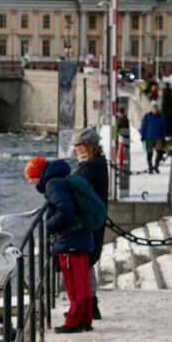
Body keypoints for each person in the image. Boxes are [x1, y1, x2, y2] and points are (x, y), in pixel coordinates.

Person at [25, 156, 94, 333]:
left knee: (73, 282)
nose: (30, 182)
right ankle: (85, 318)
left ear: (38, 175)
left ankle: (74, 321)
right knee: (82, 281)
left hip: (70, 239)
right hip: (80, 236)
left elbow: (66, 211)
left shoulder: (53, 185)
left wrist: (49, 225)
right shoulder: (60, 179)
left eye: (30, 177)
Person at [72, 128, 108, 320]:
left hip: (89, 222)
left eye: (78, 145)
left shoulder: (91, 167)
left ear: (88, 146)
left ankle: (88, 306)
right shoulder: (96, 164)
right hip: (94, 220)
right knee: (87, 263)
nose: (76, 149)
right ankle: (90, 305)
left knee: (84, 263)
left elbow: (75, 186)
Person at [140, 102, 167, 174]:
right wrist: (142, 136)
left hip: (159, 137)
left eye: (156, 107)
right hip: (149, 137)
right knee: (149, 153)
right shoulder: (147, 116)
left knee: (159, 152)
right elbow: (143, 126)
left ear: (158, 108)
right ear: (151, 108)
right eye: (153, 107)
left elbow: (163, 128)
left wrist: (163, 137)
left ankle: (156, 166)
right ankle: (150, 167)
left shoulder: (161, 117)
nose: (155, 109)